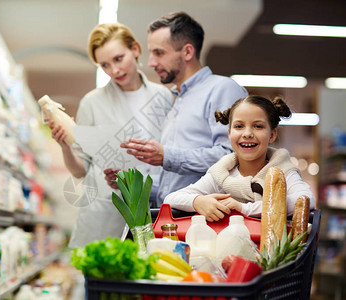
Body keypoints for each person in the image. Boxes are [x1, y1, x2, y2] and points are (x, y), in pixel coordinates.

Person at [48, 23, 174, 248]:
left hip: (154, 208)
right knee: (104, 280)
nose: (114, 70)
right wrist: (65, 146)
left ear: (135, 49)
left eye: (118, 59)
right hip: (107, 213)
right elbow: (80, 170)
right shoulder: (92, 102)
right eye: (105, 65)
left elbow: (171, 154)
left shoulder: (163, 97)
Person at [120, 12, 248, 205]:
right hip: (175, 219)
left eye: (159, 53)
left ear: (187, 52)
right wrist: (131, 182)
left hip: (208, 221)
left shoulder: (223, 89)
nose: (151, 63)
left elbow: (234, 156)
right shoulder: (177, 101)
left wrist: (167, 155)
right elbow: (173, 188)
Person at [164, 95, 315, 222]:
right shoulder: (221, 174)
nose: (247, 133)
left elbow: (306, 200)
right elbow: (171, 199)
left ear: (272, 135)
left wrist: (244, 209)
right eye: (239, 126)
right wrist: (197, 201)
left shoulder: (283, 171)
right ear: (229, 133)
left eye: (258, 126)